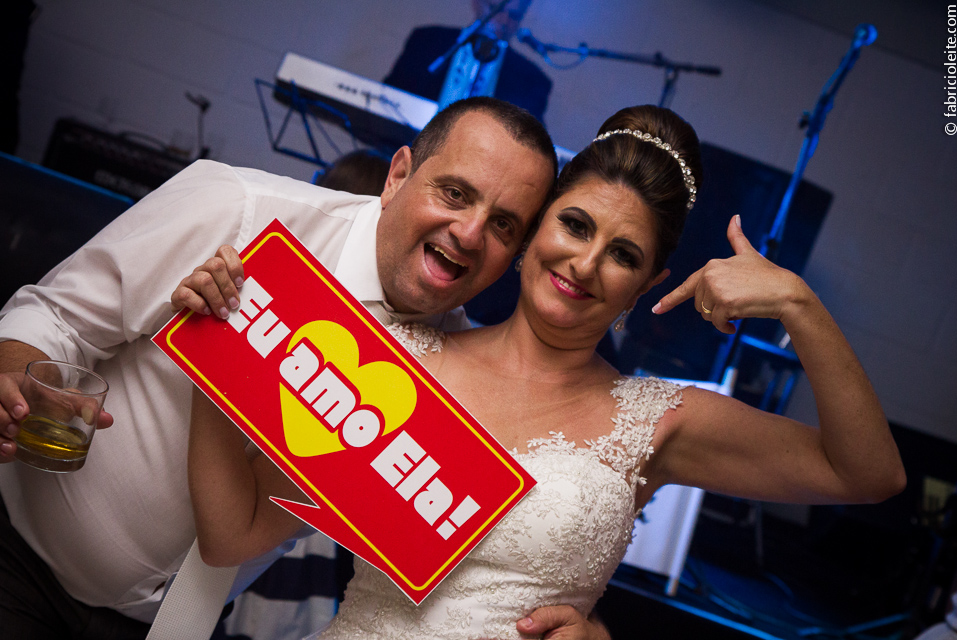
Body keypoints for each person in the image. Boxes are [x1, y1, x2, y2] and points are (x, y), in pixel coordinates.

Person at [180, 104, 906, 639]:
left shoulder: (661, 421)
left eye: (624, 255)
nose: (585, 264)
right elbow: (233, 533)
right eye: (576, 225)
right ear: (534, 228)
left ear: (648, 284)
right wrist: (215, 357)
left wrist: (798, 305)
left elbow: (868, 475)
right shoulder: (399, 361)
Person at [0, 96, 608, 640]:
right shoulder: (240, 210)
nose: (470, 233)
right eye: (454, 192)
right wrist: (20, 379)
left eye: (503, 224)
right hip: (18, 563)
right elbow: (56, 316)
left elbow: (476, 561)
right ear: (398, 176)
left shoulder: (451, 382)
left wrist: (583, 627)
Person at [384, 0, 552, 121]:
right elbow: (388, 98)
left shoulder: (532, 80)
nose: (504, 21)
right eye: (496, 9)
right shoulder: (427, 41)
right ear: (476, 3)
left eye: (514, 16)